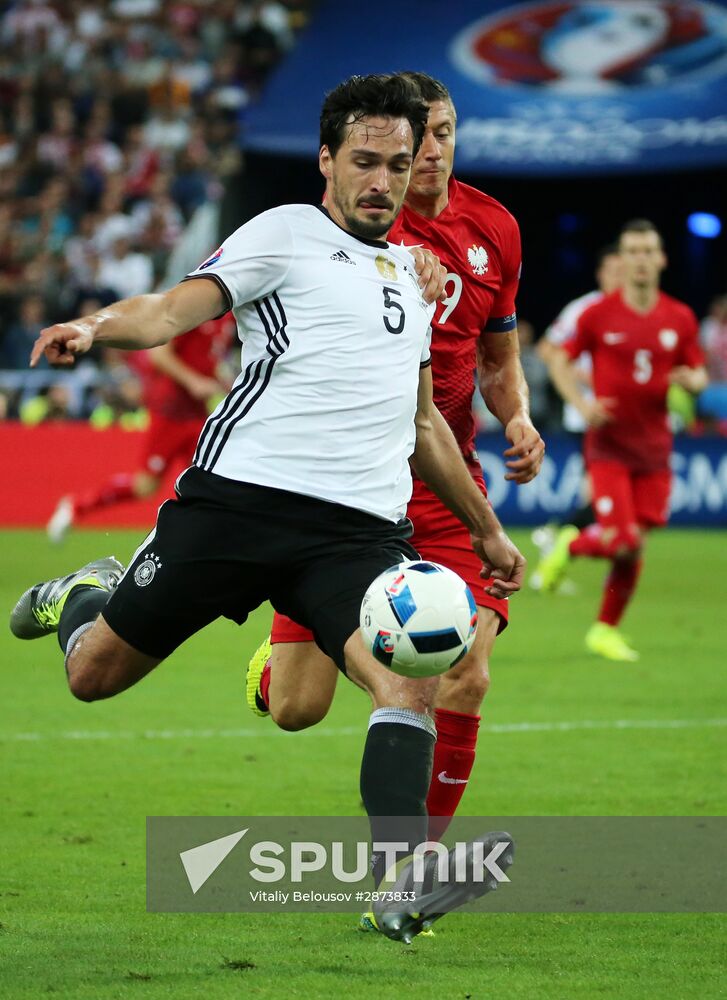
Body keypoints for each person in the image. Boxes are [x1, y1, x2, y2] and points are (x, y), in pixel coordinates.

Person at [9, 74, 525, 943]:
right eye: (364, 161)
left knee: (410, 677)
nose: (382, 180)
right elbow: (173, 308)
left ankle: (398, 884)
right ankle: (85, 598)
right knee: (93, 676)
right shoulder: (282, 235)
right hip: (235, 509)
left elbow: (424, 421)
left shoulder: (412, 279)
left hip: (356, 535)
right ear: (326, 161)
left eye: (397, 164)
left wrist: (485, 529)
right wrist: (97, 327)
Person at [245, 72, 544, 872]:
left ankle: (410, 874)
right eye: (422, 139)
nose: (433, 152)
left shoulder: (495, 230)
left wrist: (515, 413)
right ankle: (276, 670)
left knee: (465, 676)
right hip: (347, 480)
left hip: (447, 484)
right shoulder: (351, 230)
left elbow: (499, 356)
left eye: (445, 133)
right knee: (296, 710)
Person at [539, 219, 707, 661]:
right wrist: (582, 401)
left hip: (655, 451)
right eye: (632, 251)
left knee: (633, 545)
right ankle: (571, 545)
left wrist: (693, 380)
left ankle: (604, 630)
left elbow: (697, 371)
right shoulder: (598, 315)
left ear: (662, 259)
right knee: (625, 540)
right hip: (608, 447)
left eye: (648, 251)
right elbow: (557, 360)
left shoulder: (680, 317)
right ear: (622, 260)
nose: (640, 259)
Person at [46, 313, 235, 542]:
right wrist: (193, 381)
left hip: (198, 414)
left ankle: (207, 542)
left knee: (207, 482)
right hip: (171, 412)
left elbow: (207, 360)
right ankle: (76, 506)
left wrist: (226, 382)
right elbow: (159, 355)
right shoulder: (198, 311)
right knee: (146, 485)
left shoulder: (228, 319)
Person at [531, 245, 623, 590]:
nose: (619, 277)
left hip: (623, 422)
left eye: (623, 270)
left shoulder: (633, 311)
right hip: (587, 418)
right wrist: (586, 377)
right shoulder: (584, 309)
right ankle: (557, 542)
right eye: (612, 270)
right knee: (602, 498)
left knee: (600, 499)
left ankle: (558, 555)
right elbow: (546, 349)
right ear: (601, 274)